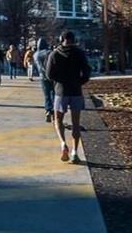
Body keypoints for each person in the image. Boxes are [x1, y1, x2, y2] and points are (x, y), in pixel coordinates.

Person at [46, 31, 92, 164]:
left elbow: (49, 74)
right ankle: (74, 152)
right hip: (76, 90)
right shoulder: (79, 53)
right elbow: (87, 71)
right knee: (76, 123)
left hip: (61, 91)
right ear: (74, 39)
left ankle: (62, 143)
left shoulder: (54, 54)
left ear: (61, 39)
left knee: (58, 119)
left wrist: (59, 82)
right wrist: (80, 81)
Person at [32, 37, 55, 122]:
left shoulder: (35, 55)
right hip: (52, 76)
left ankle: (48, 110)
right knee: (53, 93)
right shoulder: (49, 53)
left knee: (46, 95)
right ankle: (53, 111)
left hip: (42, 76)